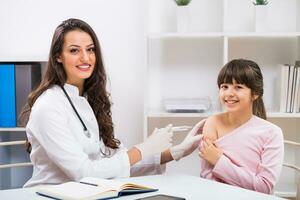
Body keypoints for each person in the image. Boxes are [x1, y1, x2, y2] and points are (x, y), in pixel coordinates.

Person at [20, 18, 205, 187]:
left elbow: (112, 166)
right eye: (74, 50)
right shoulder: (48, 106)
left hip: (88, 193)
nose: (86, 58)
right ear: (58, 56)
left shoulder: (89, 100)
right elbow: (83, 173)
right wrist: (143, 148)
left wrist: (175, 152)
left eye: (90, 49)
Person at [198, 59, 284, 194]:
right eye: (224, 86)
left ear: (255, 94)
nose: (229, 93)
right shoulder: (212, 123)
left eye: (238, 87)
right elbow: (207, 177)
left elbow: (264, 187)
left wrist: (219, 161)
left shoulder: (272, 133)